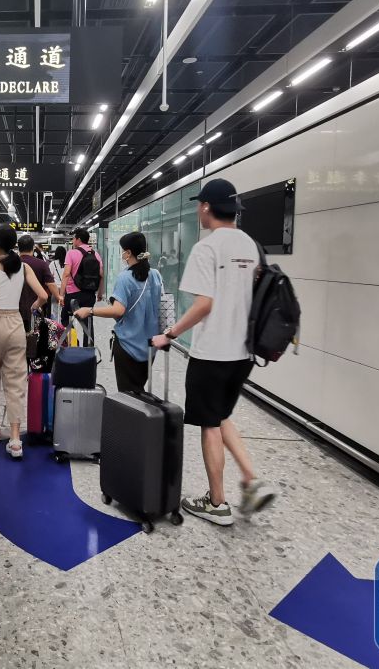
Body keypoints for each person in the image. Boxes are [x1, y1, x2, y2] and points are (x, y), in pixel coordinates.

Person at [151, 179, 277, 526]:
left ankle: (217, 503)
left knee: (209, 424)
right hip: (243, 354)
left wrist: (169, 333)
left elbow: (204, 304)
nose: (197, 210)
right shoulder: (251, 245)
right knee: (220, 415)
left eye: (199, 205)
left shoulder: (206, 248)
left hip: (212, 354)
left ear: (206, 206)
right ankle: (251, 479)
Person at [0, 225, 48, 459]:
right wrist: (33, 306)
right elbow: (43, 295)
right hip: (16, 323)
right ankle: (15, 439)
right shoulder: (24, 267)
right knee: (16, 381)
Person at [74, 232, 161, 394]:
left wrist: (90, 310)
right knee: (138, 391)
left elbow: (118, 310)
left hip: (129, 345)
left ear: (128, 253)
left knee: (127, 396)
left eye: (122, 250)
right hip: (150, 345)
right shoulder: (155, 275)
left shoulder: (125, 277)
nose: (122, 254)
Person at [61, 228, 104, 344]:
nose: (73, 240)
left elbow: (66, 274)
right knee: (88, 322)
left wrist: (61, 295)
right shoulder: (95, 254)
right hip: (89, 294)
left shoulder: (71, 253)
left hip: (72, 295)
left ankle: (72, 343)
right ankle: (88, 349)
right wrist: (100, 293)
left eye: (74, 238)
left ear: (78, 239)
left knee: (65, 318)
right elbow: (101, 275)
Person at [18, 234, 59, 323]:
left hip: (15, 309)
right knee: (34, 329)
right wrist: (58, 297)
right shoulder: (41, 264)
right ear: (33, 248)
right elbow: (50, 284)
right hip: (36, 306)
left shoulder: (11, 264)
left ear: (19, 248)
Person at [49, 246, 67, 318]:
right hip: (65, 289)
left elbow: (50, 277)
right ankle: (63, 323)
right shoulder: (67, 264)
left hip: (55, 289)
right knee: (64, 308)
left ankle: (56, 323)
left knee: (55, 309)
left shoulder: (52, 264)